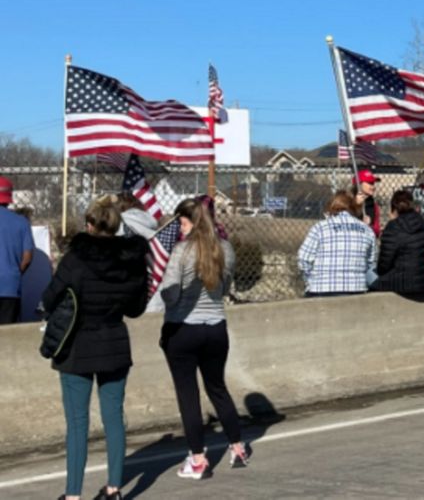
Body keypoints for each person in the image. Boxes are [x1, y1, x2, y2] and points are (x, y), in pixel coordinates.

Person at [42, 195, 149, 500]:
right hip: (114, 342)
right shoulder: (130, 260)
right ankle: (114, 488)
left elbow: (49, 298)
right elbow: (136, 308)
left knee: (77, 424)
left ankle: (73, 494)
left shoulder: (75, 259)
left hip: (77, 347)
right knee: (113, 416)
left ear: (89, 225)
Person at [158, 197, 250, 479]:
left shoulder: (182, 252)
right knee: (217, 387)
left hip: (183, 328)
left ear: (193, 221)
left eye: (183, 222)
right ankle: (237, 447)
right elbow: (223, 290)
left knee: (188, 395)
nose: (180, 228)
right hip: (216, 328)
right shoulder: (225, 249)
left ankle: (198, 459)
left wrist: (163, 287)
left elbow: (171, 294)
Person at [297, 191, 378, 296]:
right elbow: (371, 263)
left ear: (332, 207)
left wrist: (310, 281)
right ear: (354, 208)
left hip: (321, 289)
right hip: (356, 290)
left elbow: (303, 259)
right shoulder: (367, 230)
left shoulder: (320, 228)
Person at [369, 189, 424, 294]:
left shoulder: (393, 227)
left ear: (394, 209)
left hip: (405, 283)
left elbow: (383, 267)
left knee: (369, 276)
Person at [0, 175, 34, 325]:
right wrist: (15, 272)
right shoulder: (21, 222)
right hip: (10, 287)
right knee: (7, 336)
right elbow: (27, 257)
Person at [353, 169, 382, 237]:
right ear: (359, 184)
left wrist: (370, 227)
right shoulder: (348, 203)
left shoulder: (374, 206)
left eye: (373, 183)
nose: (373, 187)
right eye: (370, 183)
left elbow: (376, 231)